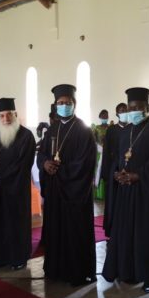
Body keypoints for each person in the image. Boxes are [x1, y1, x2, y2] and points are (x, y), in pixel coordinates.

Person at [101, 88, 149, 292]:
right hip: (125, 190)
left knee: (145, 235)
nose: (135, 111)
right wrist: (117, 172)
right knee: (125, 232)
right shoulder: (125, 131)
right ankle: (125, 270)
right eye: (131, 108)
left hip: (146, 192)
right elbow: (119, 157)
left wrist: (137, 175)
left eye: (139, 107)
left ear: (147, 108)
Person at [37, 84, 97, 286]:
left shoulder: (83, 130)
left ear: (74, 104)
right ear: (55, 105)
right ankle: (55, 270)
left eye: (67, 102)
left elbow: (86, 163)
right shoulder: (52, 129)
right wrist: (45, 164)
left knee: (74, 232)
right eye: (60, 103)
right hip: (55, 191)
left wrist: (60, 171)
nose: (64, 106)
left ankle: (77, 273)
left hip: (74, 192)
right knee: (55, 230)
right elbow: (42, 154)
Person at [0, 98, 36, 270]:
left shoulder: (26, 136)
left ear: (15, 115)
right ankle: (0, 256)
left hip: (15, 190)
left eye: (9, 115)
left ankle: (18, 258)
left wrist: (0, 180)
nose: (6, 119)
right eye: (2, 116)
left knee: (15, 224)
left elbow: (22, 165)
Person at [100, 102, 129, 236]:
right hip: (114, 169)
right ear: (117, 114)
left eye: (126, 110)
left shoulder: (132, 128)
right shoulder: (111, 130)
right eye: (121, 111)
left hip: (129, 169)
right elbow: (106, 152)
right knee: (113, 200)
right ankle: (112, 229)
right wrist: (106, 174)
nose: (124, 113)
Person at [92, 109, 111, 200]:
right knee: (98, 171)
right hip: (99, 153)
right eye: (103, 116)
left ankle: (107, 192)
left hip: (108, 153)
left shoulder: (111, 127)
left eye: (106, 116)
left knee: (107, 170)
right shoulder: (96, 128)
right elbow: (93, 140)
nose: (105, 117)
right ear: (100, 117)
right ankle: (98, 193)